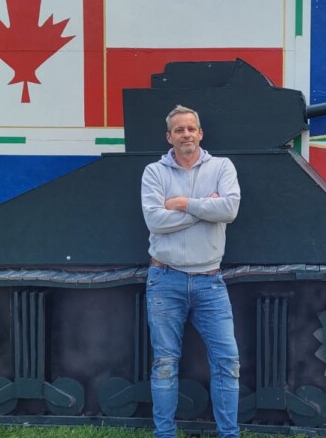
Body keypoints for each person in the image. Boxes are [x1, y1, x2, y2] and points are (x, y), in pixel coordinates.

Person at [140, 104, 241, 438]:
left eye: (191, 129)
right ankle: (164, 434)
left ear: (201, 133)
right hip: (165, 279)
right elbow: (155, 220)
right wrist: (205, 208)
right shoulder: (154, 173)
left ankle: (229, 434)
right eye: (179, 130)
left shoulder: (222, 167)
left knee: (227, 362)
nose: (186, 134)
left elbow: (229, 209)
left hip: (210, 281)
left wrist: (183, 204)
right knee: (165, 364)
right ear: (169, 137)